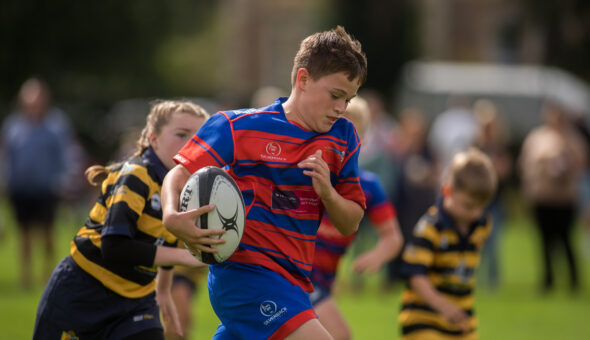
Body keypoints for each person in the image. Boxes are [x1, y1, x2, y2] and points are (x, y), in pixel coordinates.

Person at [161, 26, 368, 339]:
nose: (341, 108)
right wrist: (171, 216)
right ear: (303, 79)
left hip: (295, 283)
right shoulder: (236, 127)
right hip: (244, 275)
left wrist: (328, 193)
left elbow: (350, 222)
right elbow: (179, 174)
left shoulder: (343, 138)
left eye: (348, 100)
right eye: (336, 95)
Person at [33, 100, 210, 340]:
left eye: (199, 137)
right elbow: (114, 246)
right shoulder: (136, 175)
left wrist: (164, 289)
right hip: (83, 290)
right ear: (153, 138)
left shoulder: (187, 189)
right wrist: (185, 257)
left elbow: (164, 238)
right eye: (181, 134)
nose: (191, 143)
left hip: (136, 301)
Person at [309, 97, 403, 340]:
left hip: (325, 281)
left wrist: (376, 255)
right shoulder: (310, 172)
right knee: (339, 335)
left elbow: (392, 237)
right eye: (337, 128)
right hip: (298, 277)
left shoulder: (368, 186)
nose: (343, 139)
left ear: (362, 137)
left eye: (353, 131)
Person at [398, 148, 498, 340]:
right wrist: (443, 306)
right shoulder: (430, 228)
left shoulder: (482, 225)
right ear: (447, 191)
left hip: (461, 319)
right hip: (423, 319)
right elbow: (415, 275)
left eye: (480, 207)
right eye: (468, 205)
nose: (475, 213)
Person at [0, 77, 73, 289]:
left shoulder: (56, 125)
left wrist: (65, 181)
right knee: (24, 234)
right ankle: (26, 276)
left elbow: (64, 155)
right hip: (20, 187)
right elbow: (6, 156)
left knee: (47, 231)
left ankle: (48, 273)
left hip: (46, 187)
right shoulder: (13, 126)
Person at [519, 100, 586, 293]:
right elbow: (526, 165)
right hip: (542, 197)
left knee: (566, 240)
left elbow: (581, 165)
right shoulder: (537, 138)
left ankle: (574, 281)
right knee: (544, 242)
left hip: (565, 198)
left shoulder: (573, 138)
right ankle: (548, 281)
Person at [473, 99, 512, 290]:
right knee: (476, 242)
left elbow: (504, 171)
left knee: (493, 242)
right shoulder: (476, 146)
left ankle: (493, 281)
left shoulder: (500, 147)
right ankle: (475, 278)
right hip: (477, 202)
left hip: (495, 201)